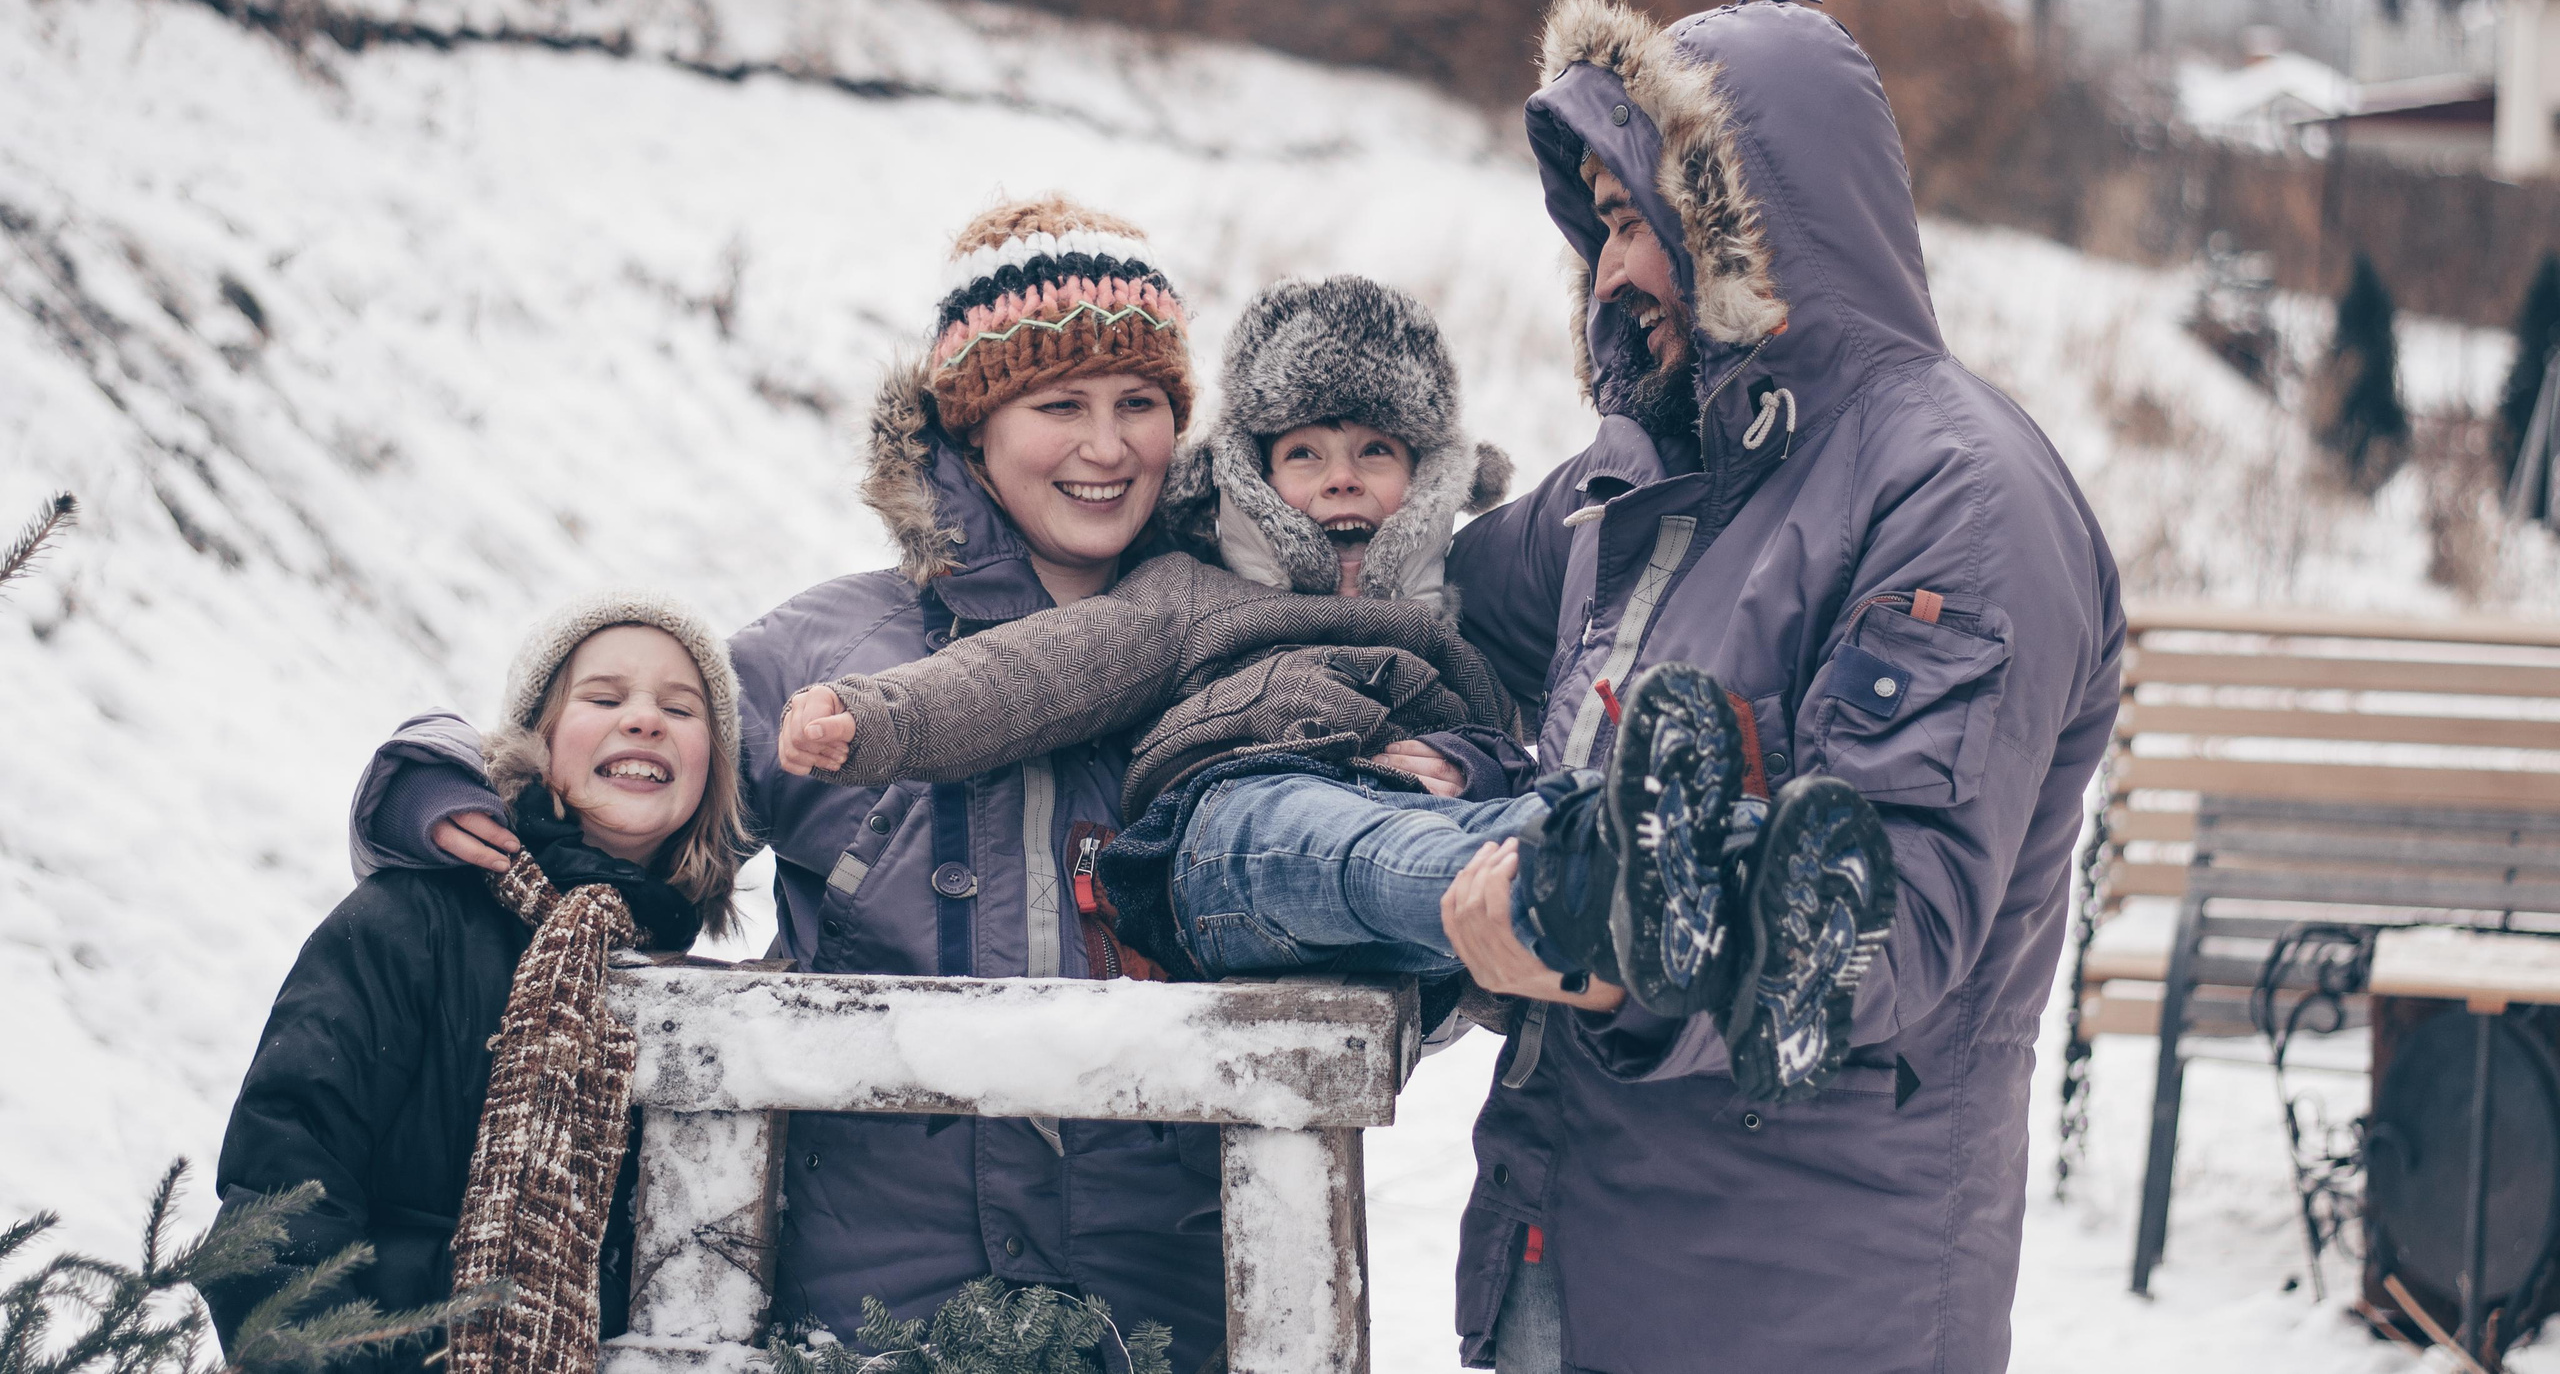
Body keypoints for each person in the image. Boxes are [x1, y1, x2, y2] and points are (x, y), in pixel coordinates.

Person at [339, 200, 1230, 1369]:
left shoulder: (1224, 644)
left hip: (1152, 1286)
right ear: (969, 434)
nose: (1107, 449)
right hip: (870, 1289)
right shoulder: (826, 654)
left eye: (1140, 405)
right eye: (1057, 405)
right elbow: (620, 783)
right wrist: (431, 787)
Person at [1434, 0, 2126, 1374]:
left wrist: (1602, 934)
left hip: (1803, 1299)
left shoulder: (1957, 493)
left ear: (1742, 220)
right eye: (1603, 226)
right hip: (1562, 1250)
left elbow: (1888, 920)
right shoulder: (1641, 477)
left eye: (1638, 219)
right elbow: (1430, 600)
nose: (1610, 267)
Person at [777, 278, 1894, 1050]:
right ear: (1254, 474)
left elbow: (1513, 735)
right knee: (1344, 836)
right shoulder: (1190, 593)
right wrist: (876, 720)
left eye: (1375, 452)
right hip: (1221, 839)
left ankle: (1751, 884)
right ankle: (1591, 879)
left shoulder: (1448, 626)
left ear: (1429, 473)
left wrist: (1469, 765)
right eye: (1303, 453)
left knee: (1495, 816)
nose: (1341, 478)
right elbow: (1037, 670)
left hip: (1409, 865)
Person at [208, 591, 749, 1374]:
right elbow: (281, 1181)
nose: (644, 718)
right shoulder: (411, 920)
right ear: (537, 739)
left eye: (681, 707)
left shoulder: (692, 993)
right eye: (602, 697)